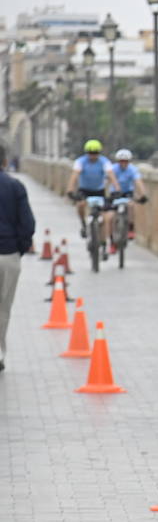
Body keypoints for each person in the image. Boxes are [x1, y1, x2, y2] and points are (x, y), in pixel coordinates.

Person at [0, 144, 37, 373]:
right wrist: (18, 249)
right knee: (3, 308)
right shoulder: (15, 186)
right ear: (4, 161)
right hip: (7, 255)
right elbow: (28, 224)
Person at [64, 140, 117, 240]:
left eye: (95, 153)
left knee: (104, 215)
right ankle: (83, 224)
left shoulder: (104, 161)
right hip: (84, 190)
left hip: (99, 190)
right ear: (87, 153)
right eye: (91, 153)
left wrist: (117, 189)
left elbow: (111, 175)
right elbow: (74, 176)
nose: (93, 156)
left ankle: (103, 241)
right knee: (80, 205)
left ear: (99, 153)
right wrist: (70, 190)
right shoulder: (80, 161)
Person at [107, 148, 148, 251]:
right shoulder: (113, 169)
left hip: (127, 193)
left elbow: (138, 182)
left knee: (131, 206)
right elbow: (106, 181)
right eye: (121, 161)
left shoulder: (132, 169)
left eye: (126, 161)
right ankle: (112, 242)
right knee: (110, 217)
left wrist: (143, 194)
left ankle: (130, 228)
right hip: (115, 193)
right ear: (118, 161)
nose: (123, 163)